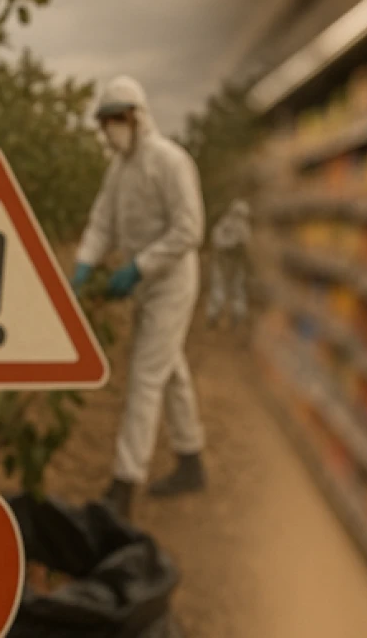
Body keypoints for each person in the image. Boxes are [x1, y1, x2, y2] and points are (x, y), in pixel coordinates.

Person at [69, 75, 207, 520]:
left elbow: (190, 229)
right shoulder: (120, 170)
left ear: (134, 116)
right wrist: (85, 265)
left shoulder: (170, 161)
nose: (109, 130)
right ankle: (191, 461)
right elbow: (101, 222)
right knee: (170, 372)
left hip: (171, 282)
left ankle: (124, 484)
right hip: (144, 284)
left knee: (146, 376)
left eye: (113, 120)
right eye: (103, 122)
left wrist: (139, 267)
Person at [205, 199, 252, 332]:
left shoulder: (244, 229)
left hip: (236, 265)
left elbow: (246, 246)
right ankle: (213, 315)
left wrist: (239, 247)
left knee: (237, 290)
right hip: (222, 263)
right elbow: (217, 240)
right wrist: (230, 245)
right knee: (218, 288)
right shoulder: (225, 225)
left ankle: (237, 316)